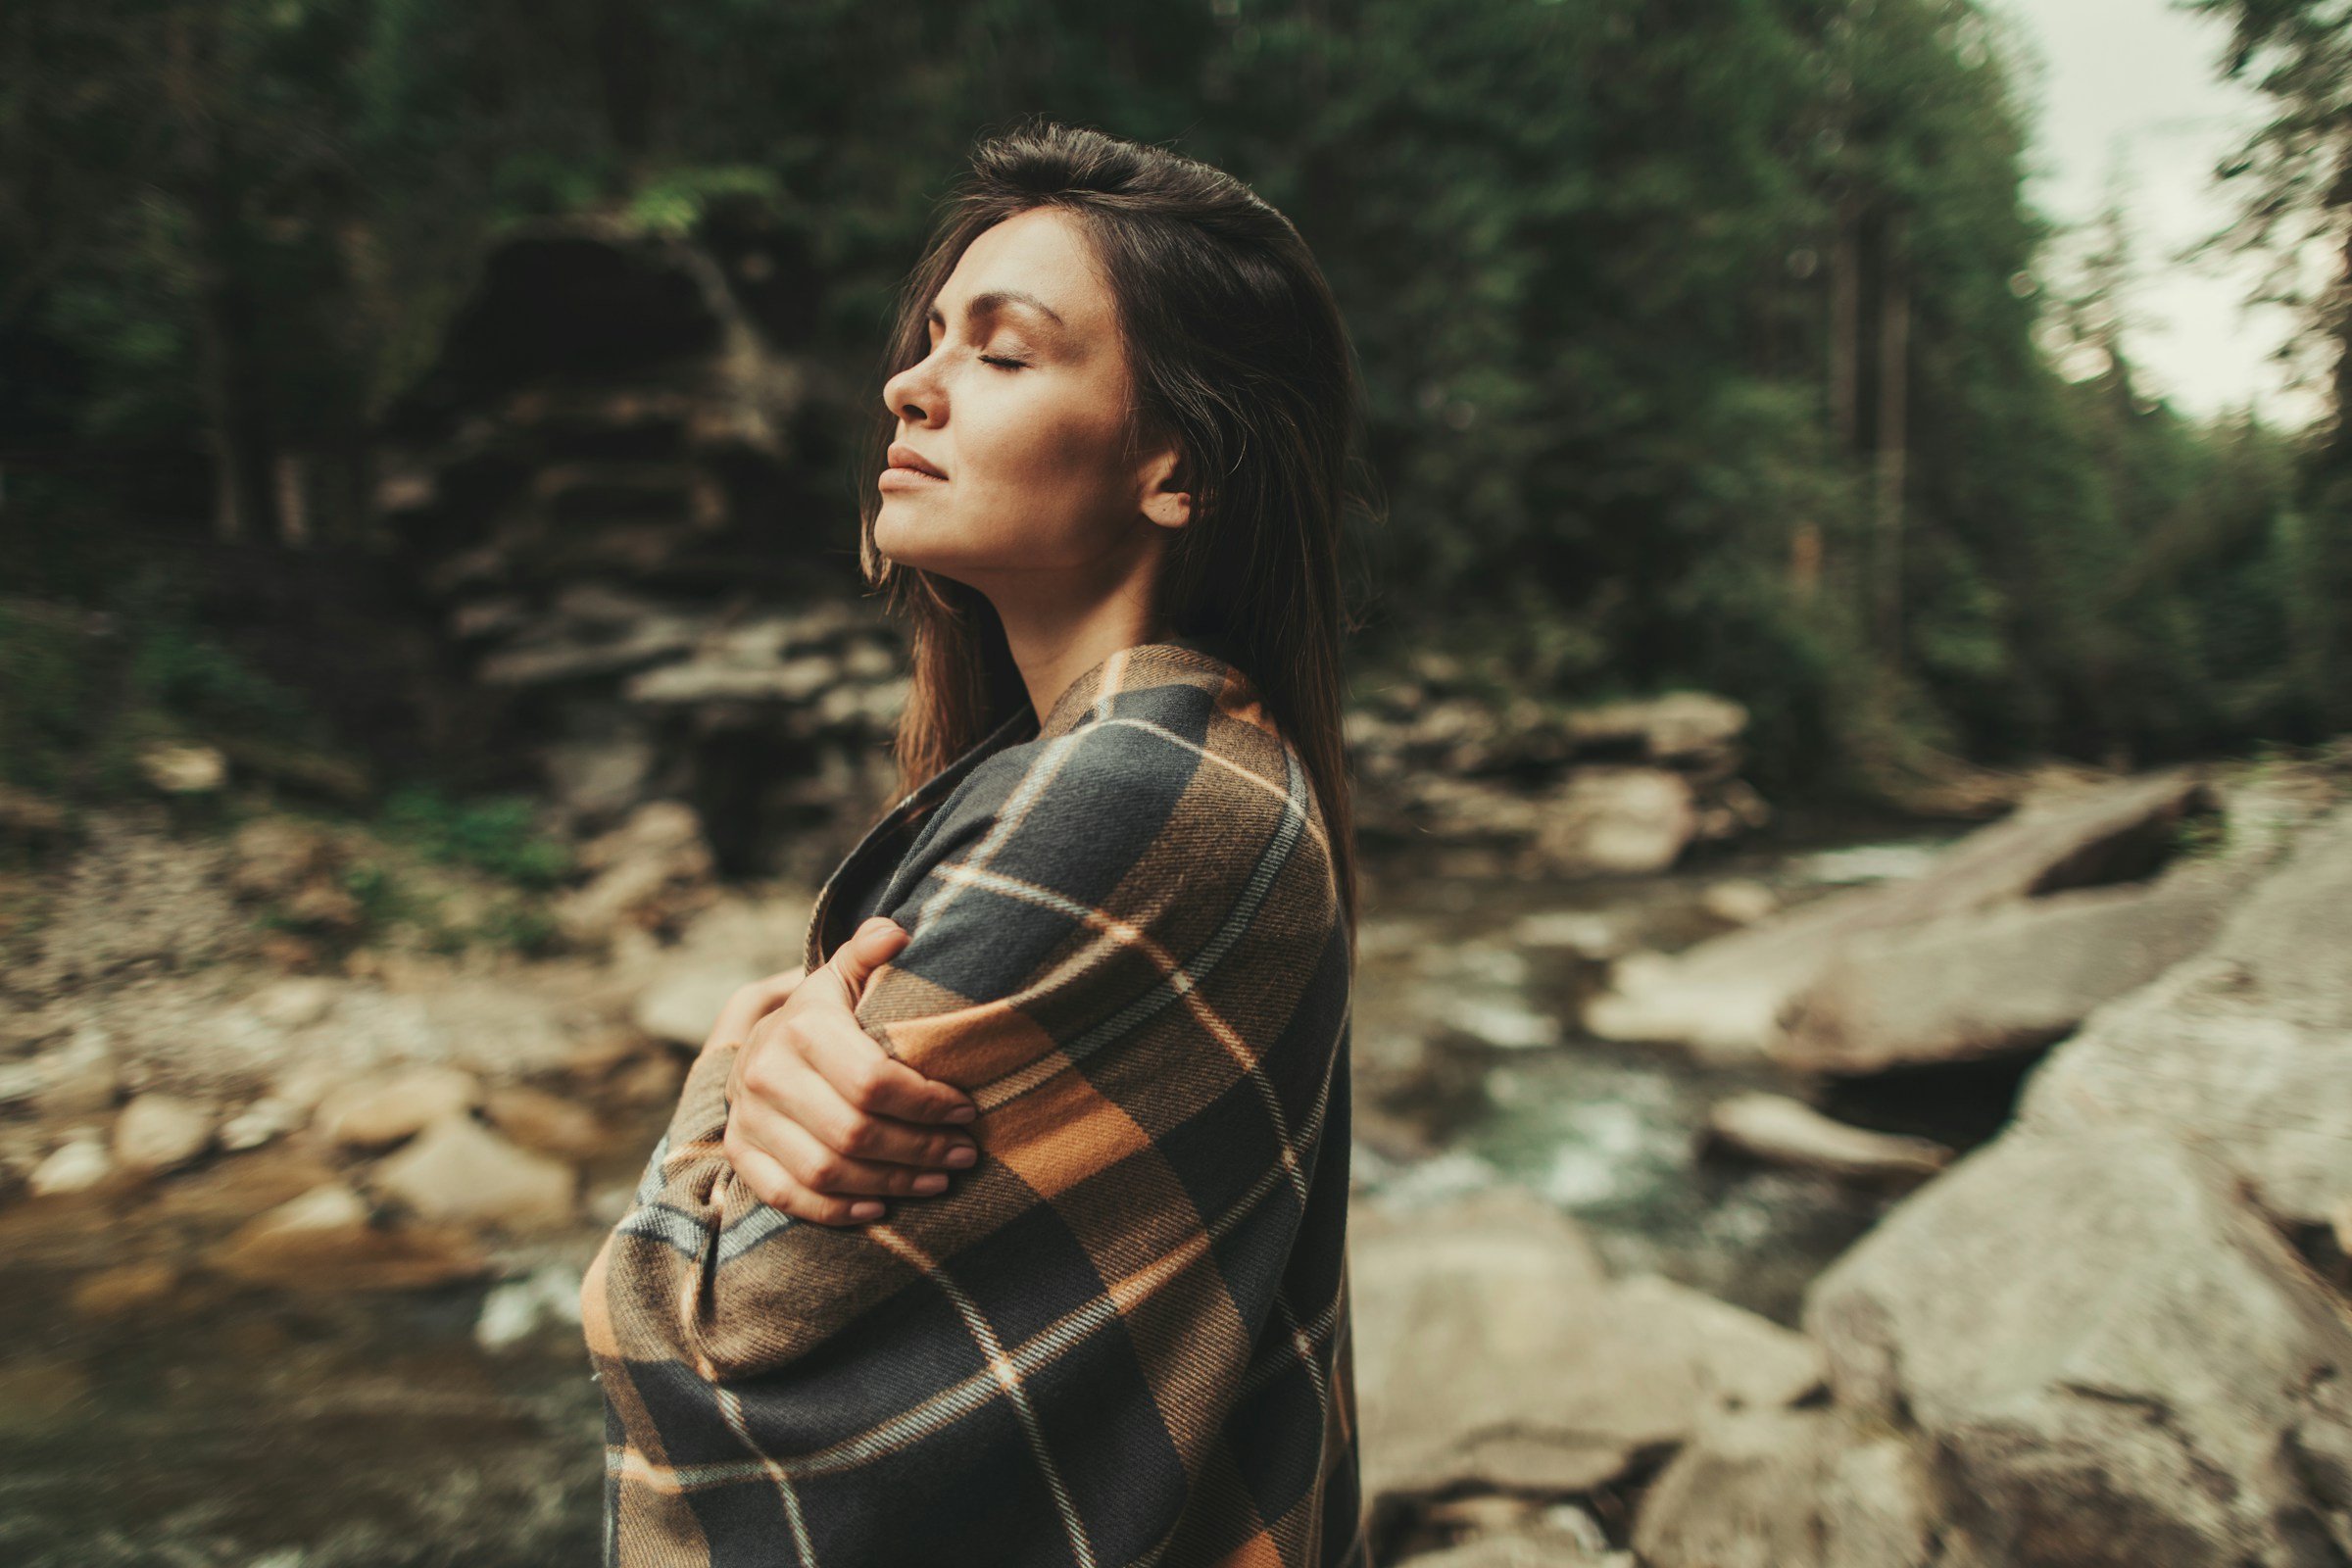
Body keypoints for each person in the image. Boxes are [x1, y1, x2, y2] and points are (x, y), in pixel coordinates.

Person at [582, 117, 1372, 1568]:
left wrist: (714, 1095)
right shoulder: (1128, 766)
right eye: (932, 337)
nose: (910, 384)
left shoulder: (1142, 792)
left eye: (1000, 355)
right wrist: (763, 1063)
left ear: (1177, 472)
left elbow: (721, 1343)